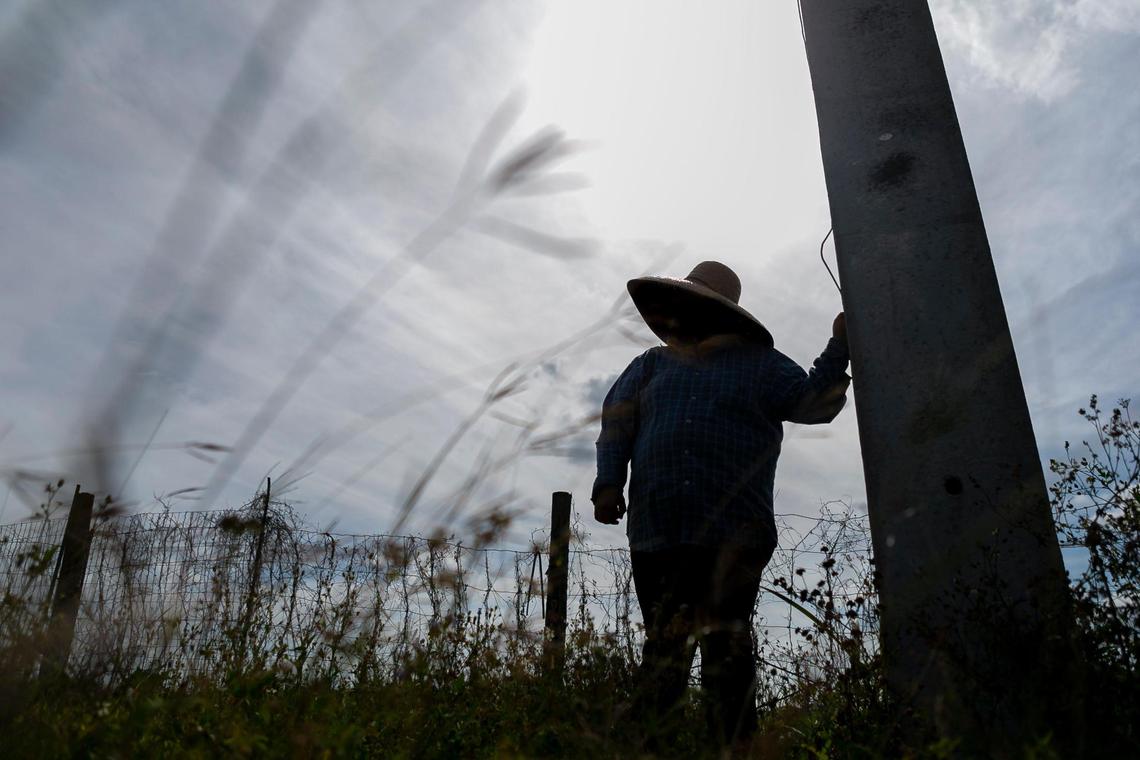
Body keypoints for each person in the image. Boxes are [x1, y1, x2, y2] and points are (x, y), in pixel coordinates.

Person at [592, 260, 850, 748]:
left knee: (726, 650)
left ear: (721, 312)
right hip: (658, 528)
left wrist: (840, 344)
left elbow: (813, 403)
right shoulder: (652, 365)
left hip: (735, 531)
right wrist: (608, 483)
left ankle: (731, 749)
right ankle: (654, 748)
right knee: (665, 648)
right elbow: (617, 422)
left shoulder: (760, 364)